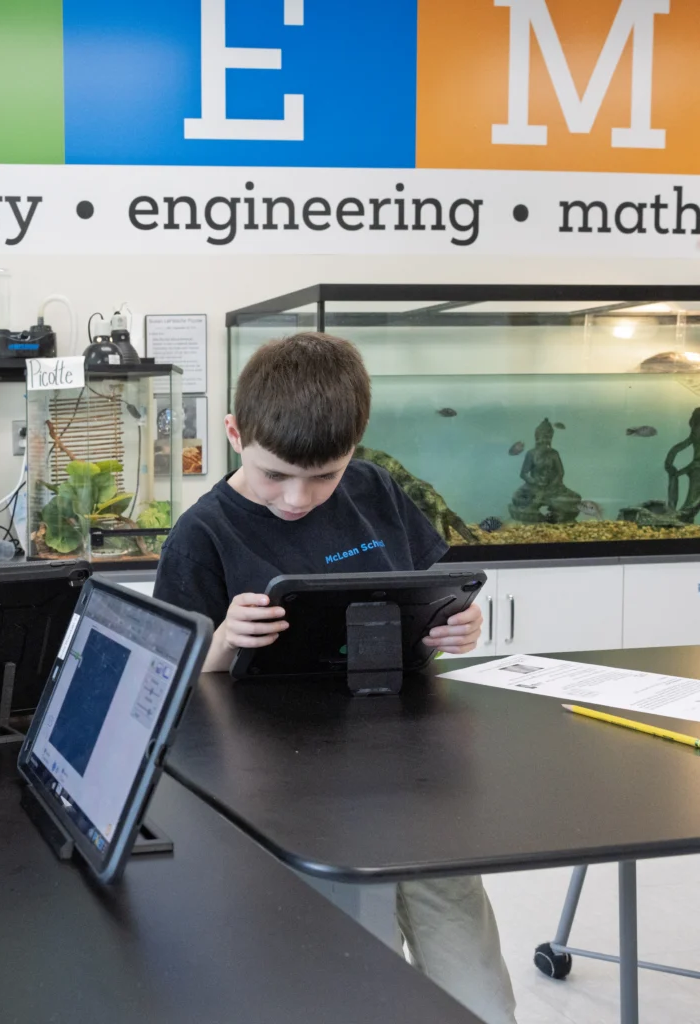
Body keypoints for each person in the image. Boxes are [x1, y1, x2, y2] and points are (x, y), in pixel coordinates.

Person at [153, 332, 515, 1024]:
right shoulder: (199, 536)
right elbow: (174, 683)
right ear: (233, 433)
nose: (296, 498)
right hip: (300, 797)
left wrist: (454, 624)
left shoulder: (373, 488)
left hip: (413, 773)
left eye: (321, 477)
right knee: (357, 976)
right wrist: (226, 639)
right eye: (274, 475)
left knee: (474, 984)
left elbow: (423, 595)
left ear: (355, 446)